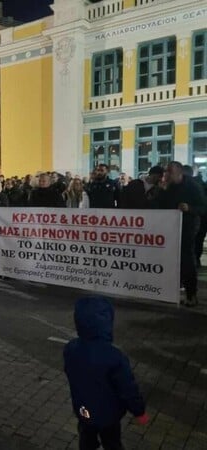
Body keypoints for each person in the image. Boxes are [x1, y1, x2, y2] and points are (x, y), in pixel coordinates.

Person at [64, 296, 148, 450]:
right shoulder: (114, 357)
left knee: (86, 438)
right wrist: (139, 411)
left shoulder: (71, 348)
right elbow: (128, 389)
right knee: (112, 442)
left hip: (84, 410)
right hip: (109, 415)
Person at [157, 161, 206, 307]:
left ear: (179, 172)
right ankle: (172, 290)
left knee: (186, 258)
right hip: (170, 226)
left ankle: (191, 294)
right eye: (165, 171)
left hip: (188, 226)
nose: (166, 174)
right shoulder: (168, 187)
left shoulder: (192, 186)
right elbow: (159, 206)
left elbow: (203, 207)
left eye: (169, 172)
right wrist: (161, 191)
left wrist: (189, 208)